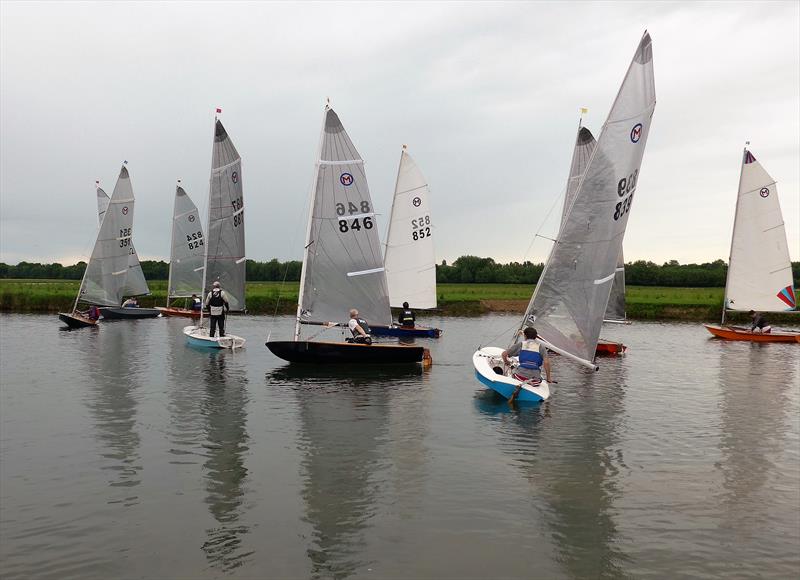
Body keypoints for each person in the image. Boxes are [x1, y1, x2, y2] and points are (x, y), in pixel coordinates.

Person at [502, 327, 552, 404]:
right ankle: (526, 386)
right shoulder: (541, 347)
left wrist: (506, 362)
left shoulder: (521, 344)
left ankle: (517, 387)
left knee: (513, 373)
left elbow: (504, 354)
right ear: (536, 337)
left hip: (520, 377)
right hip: (535, 380)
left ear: (525, 336)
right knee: (536, 380)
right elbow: (546, 363)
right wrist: (548, 378)